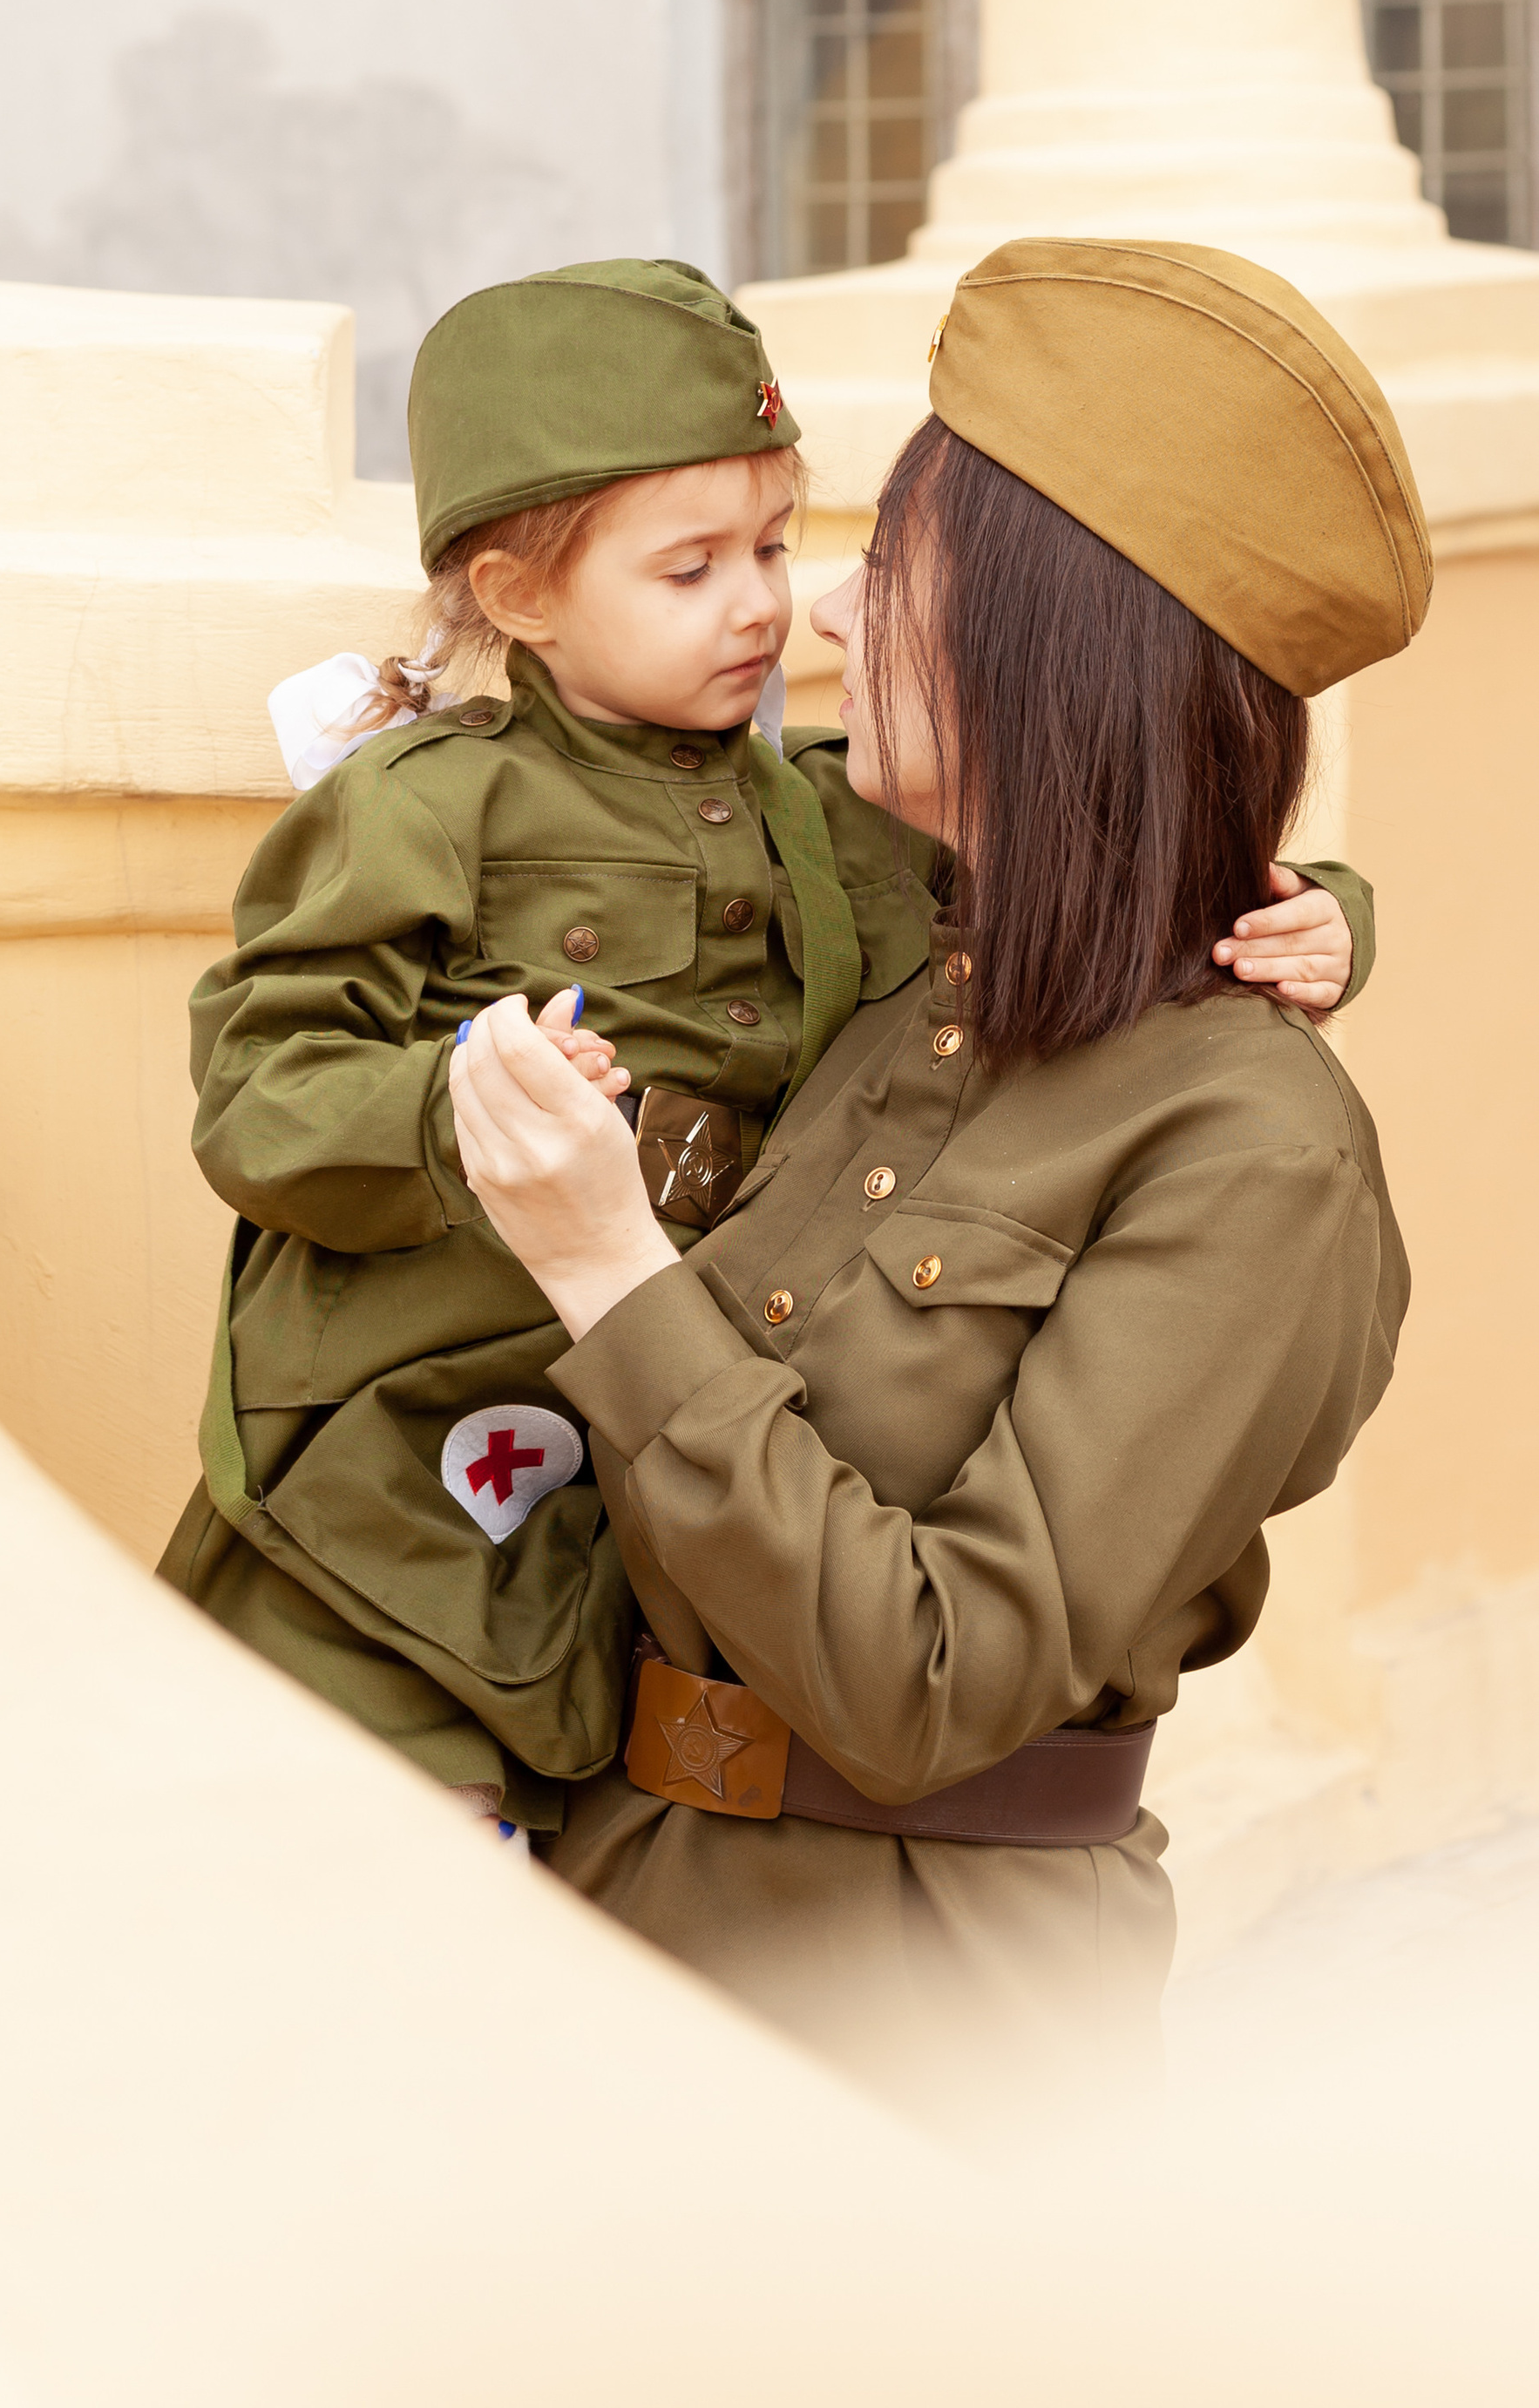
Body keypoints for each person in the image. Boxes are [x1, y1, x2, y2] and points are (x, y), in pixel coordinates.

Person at [159, 252, 1373, 1846]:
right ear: (521, 596)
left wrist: (1313, 913)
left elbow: (1117, 857)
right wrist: (462, 1119)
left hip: (822, 1834)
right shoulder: (445, 809)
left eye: (789, 547)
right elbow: (263, 1078)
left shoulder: (845, 840)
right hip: (441, 1516)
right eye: (691, 569)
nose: (789, 607)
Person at [446, 235, 1422, 2103]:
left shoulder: (1251, 1151)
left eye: (890, 566)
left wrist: (605, 1270)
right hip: (622, 1930)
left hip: (918, 2038)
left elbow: (929, 1680)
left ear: (1051, 644)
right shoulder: (899, 971)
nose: (821, 611)